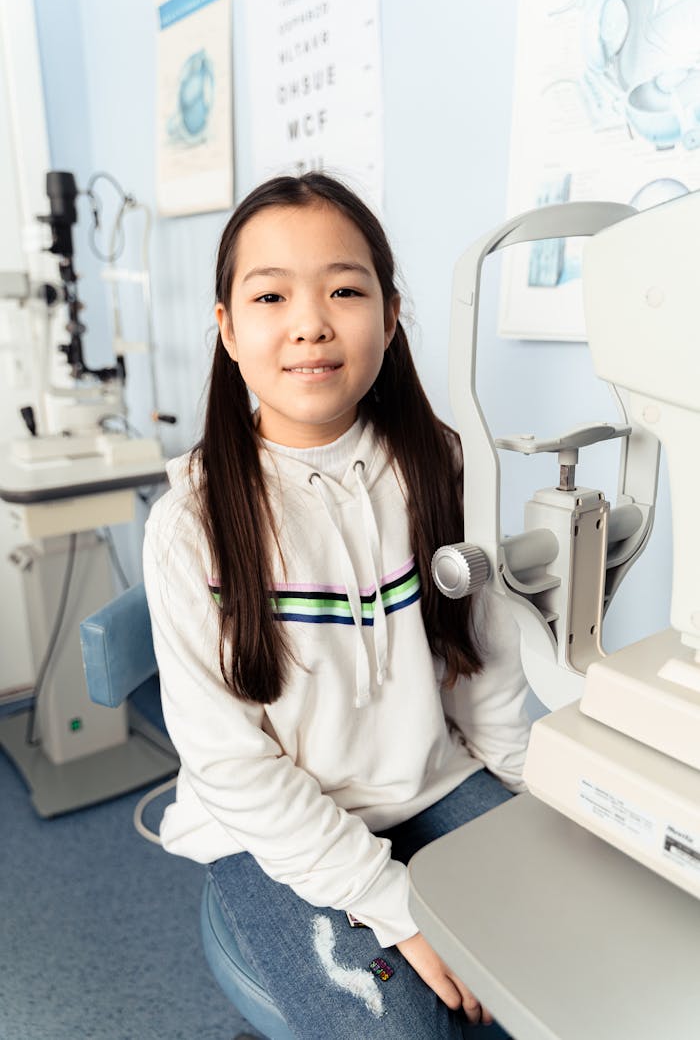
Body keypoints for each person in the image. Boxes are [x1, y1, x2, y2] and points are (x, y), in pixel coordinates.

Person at [143, 172, 531, 1039]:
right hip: (266, 826)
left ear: (390, 318)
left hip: (432, 783)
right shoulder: (189, 525)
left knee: (558, 969)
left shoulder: (443, 469)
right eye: (271, 294)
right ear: (228, 330)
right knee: (408, 1029)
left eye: (345, 290)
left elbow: (490, 673)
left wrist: (530, 820)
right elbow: (233, 767)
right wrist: (388, 900)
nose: (311, 321)